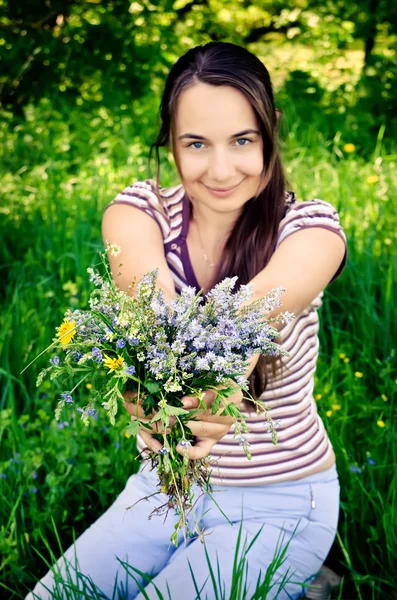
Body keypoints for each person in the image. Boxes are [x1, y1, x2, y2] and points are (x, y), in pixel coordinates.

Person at [26, 41, 347, 600]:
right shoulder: (139, 211)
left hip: (281, 502)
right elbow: (150, 296)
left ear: (271, 129)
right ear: (170, 142)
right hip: (161, 489)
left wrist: (220, 385)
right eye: (196, 143)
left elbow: (253, 315)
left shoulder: (311, 228)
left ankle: (299, 571)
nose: (221, 170)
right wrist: (147, 390)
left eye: (243, 140)